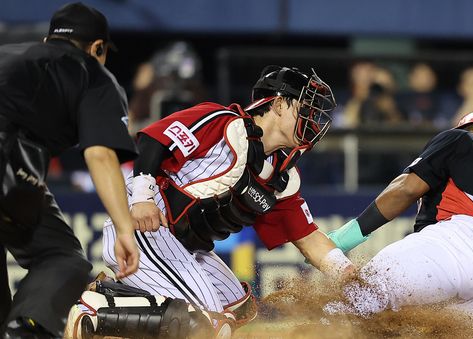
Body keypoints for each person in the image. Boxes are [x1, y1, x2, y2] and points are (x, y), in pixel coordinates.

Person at [65, 65, 354, 338]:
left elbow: (309, 239)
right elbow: (155, 140)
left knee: (238, 308)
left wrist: (351, 278)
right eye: (304, 109)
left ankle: (119, 305)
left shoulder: (281, 176)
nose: (312, 120)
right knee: (206, 322)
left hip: (184, 247)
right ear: (278, 104)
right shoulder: (224, 123)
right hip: (146, 228)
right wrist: (142, 196)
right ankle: (97, 314)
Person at [327, 108, 473, 332]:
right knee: (387, 327)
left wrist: (347, 236)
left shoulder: (463, 138)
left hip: (454, 245)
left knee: (359, 298)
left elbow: (407, 188)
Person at [0, 3, 140, 338]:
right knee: (62, 259)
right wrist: (124, 229)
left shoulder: (7, 52)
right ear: (98, 48)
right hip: (7, 162)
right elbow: (100, 155)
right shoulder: (92, 73)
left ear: (49, 38)